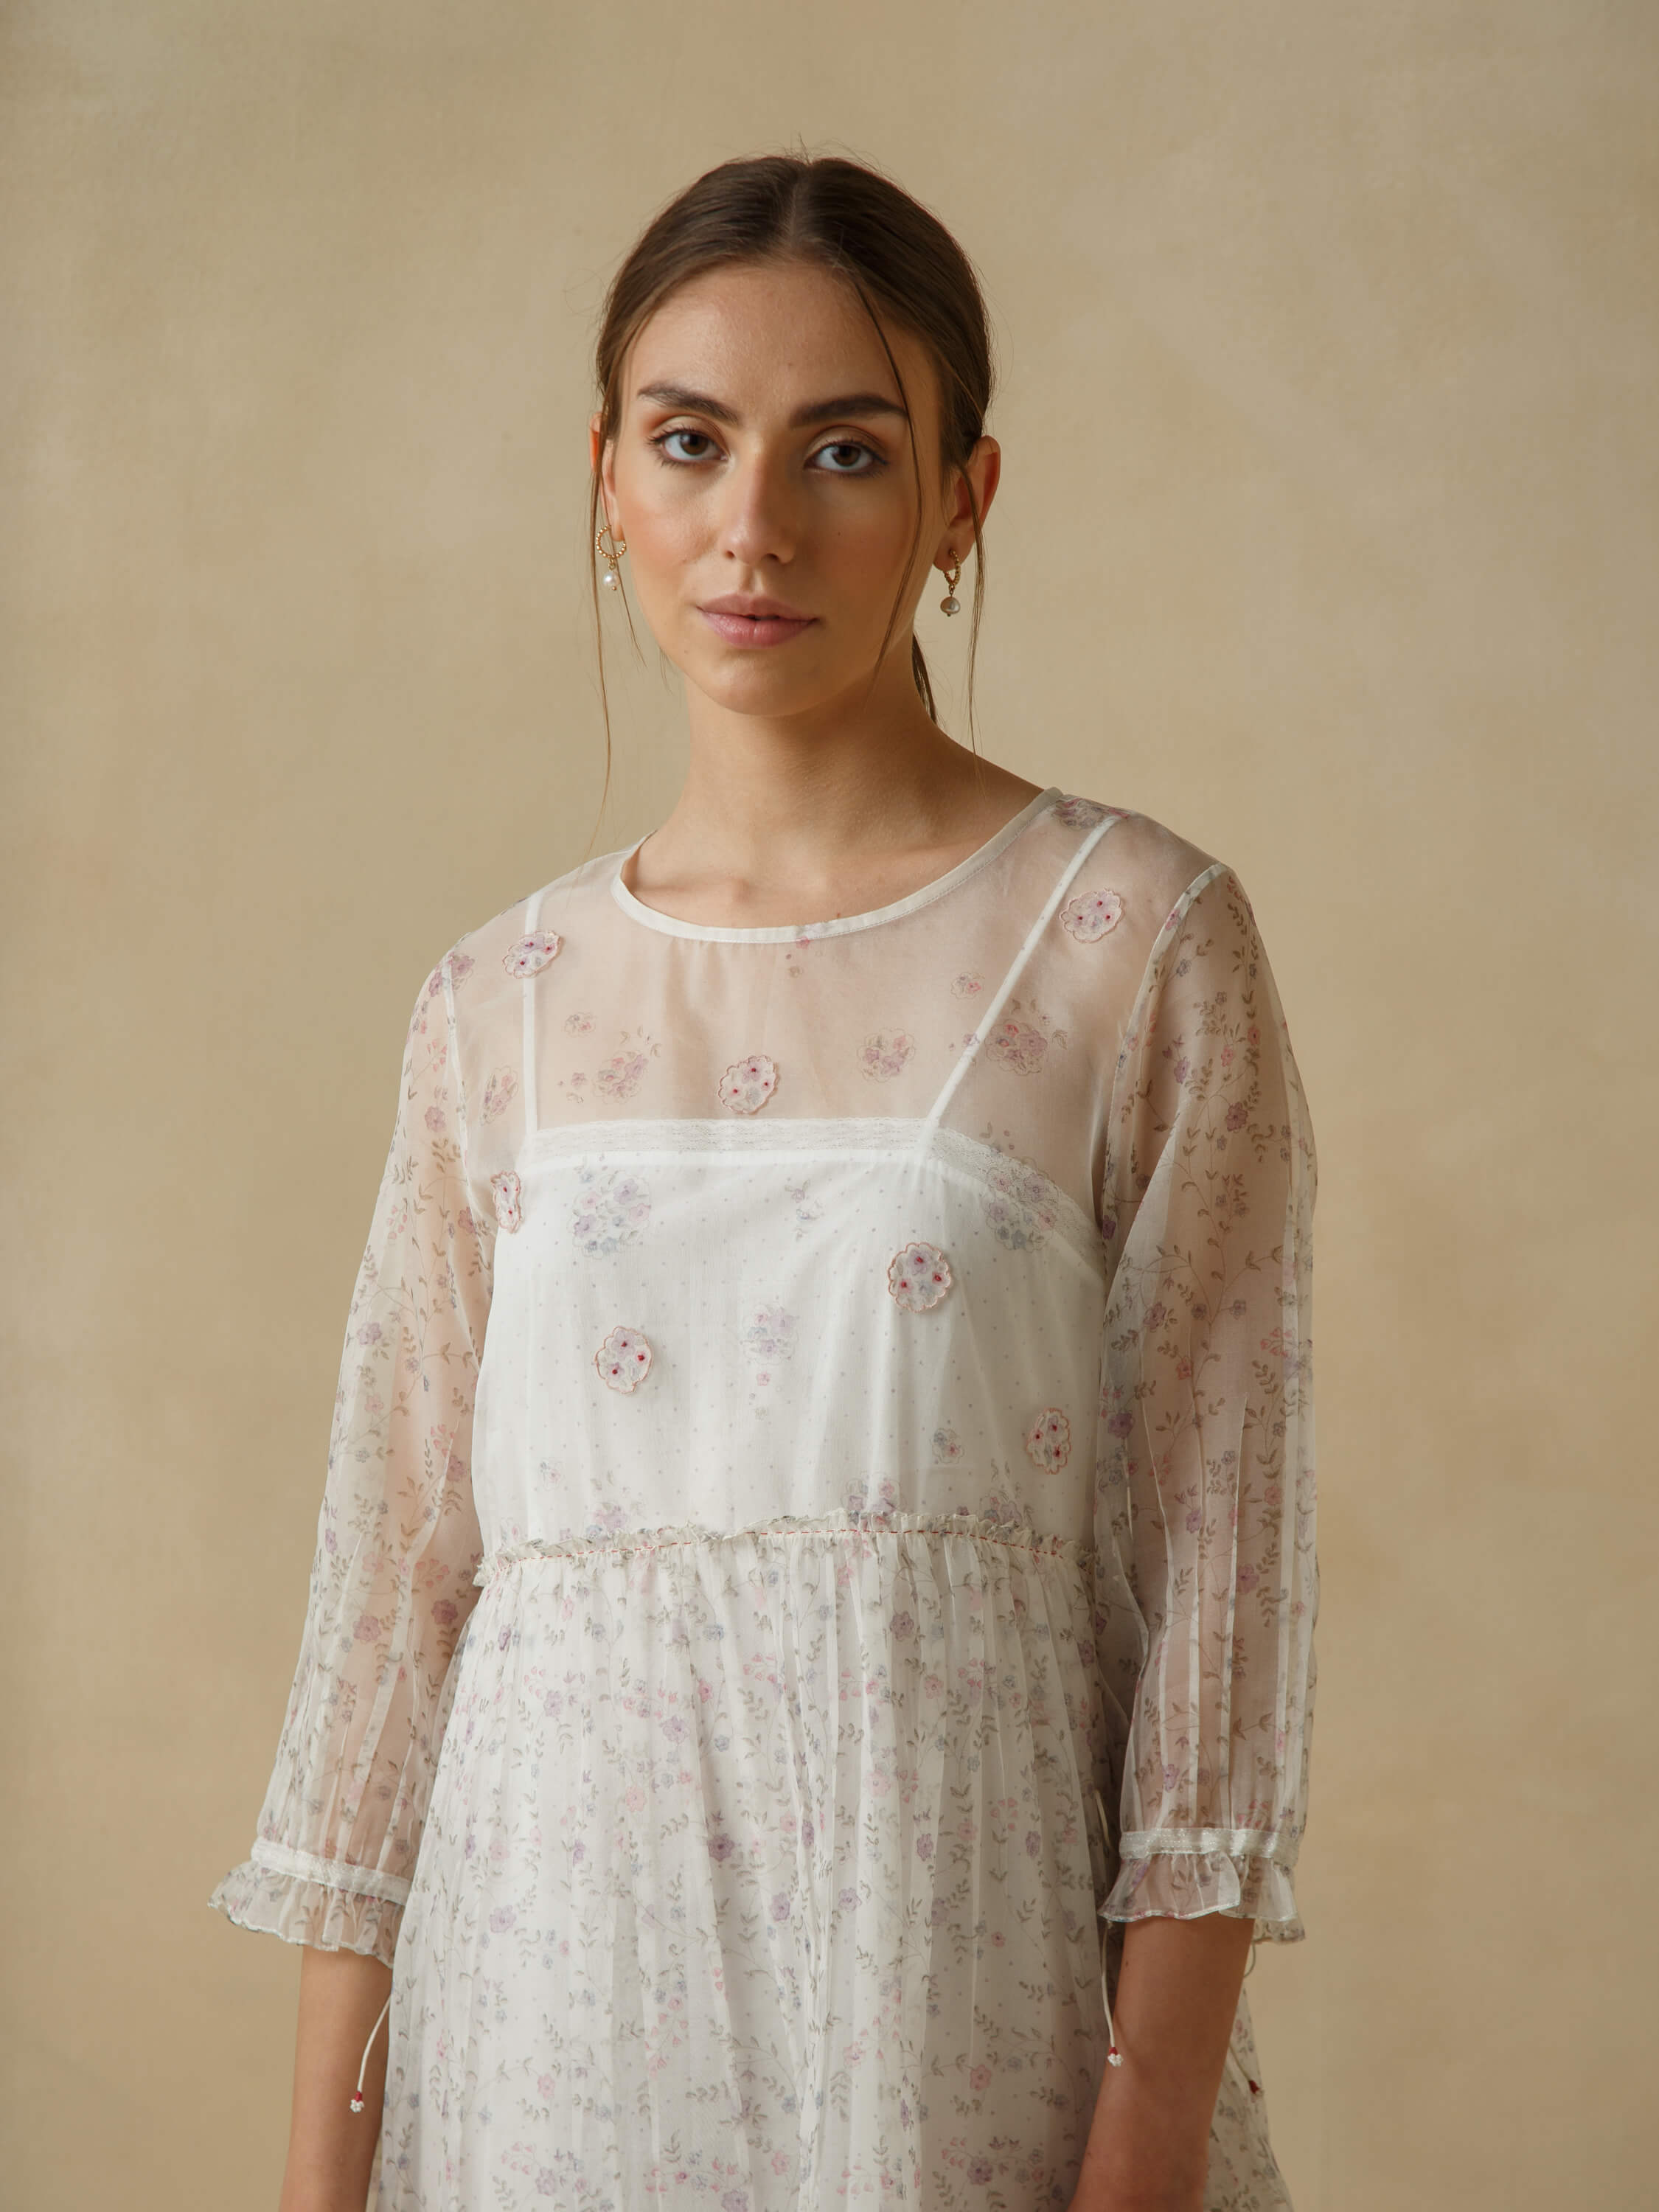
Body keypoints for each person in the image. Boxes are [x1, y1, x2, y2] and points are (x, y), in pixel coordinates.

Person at [209, 151, 1319, 2212]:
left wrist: (1144, 2148)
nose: (753, 524)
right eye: (691, 441)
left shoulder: (1130, 942)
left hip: (948, 2023)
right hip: (545, 2040)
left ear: (964, 501)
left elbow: (1214, 1615)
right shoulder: (495, 1006)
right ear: (608, 478)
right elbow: (391, 1624)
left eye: (844, 451)